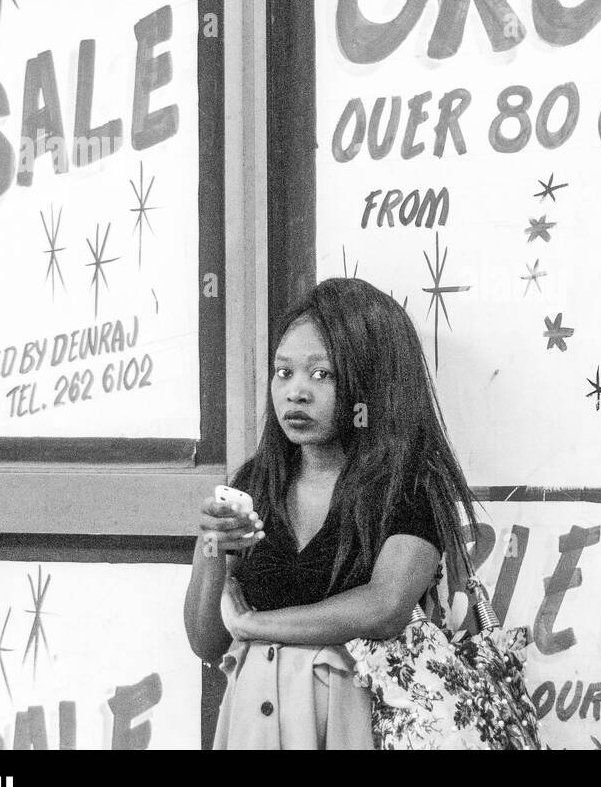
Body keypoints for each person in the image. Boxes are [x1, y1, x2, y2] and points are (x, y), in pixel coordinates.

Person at [182, 277, 481, 749]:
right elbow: (205, 641)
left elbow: (384, 607)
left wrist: (256, 625)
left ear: (371, 382)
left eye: (322, 375)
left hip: (359, 730)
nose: (295, 392)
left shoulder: (408, 487)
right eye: (284, 373)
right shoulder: (255, 484)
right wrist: (212, 548)